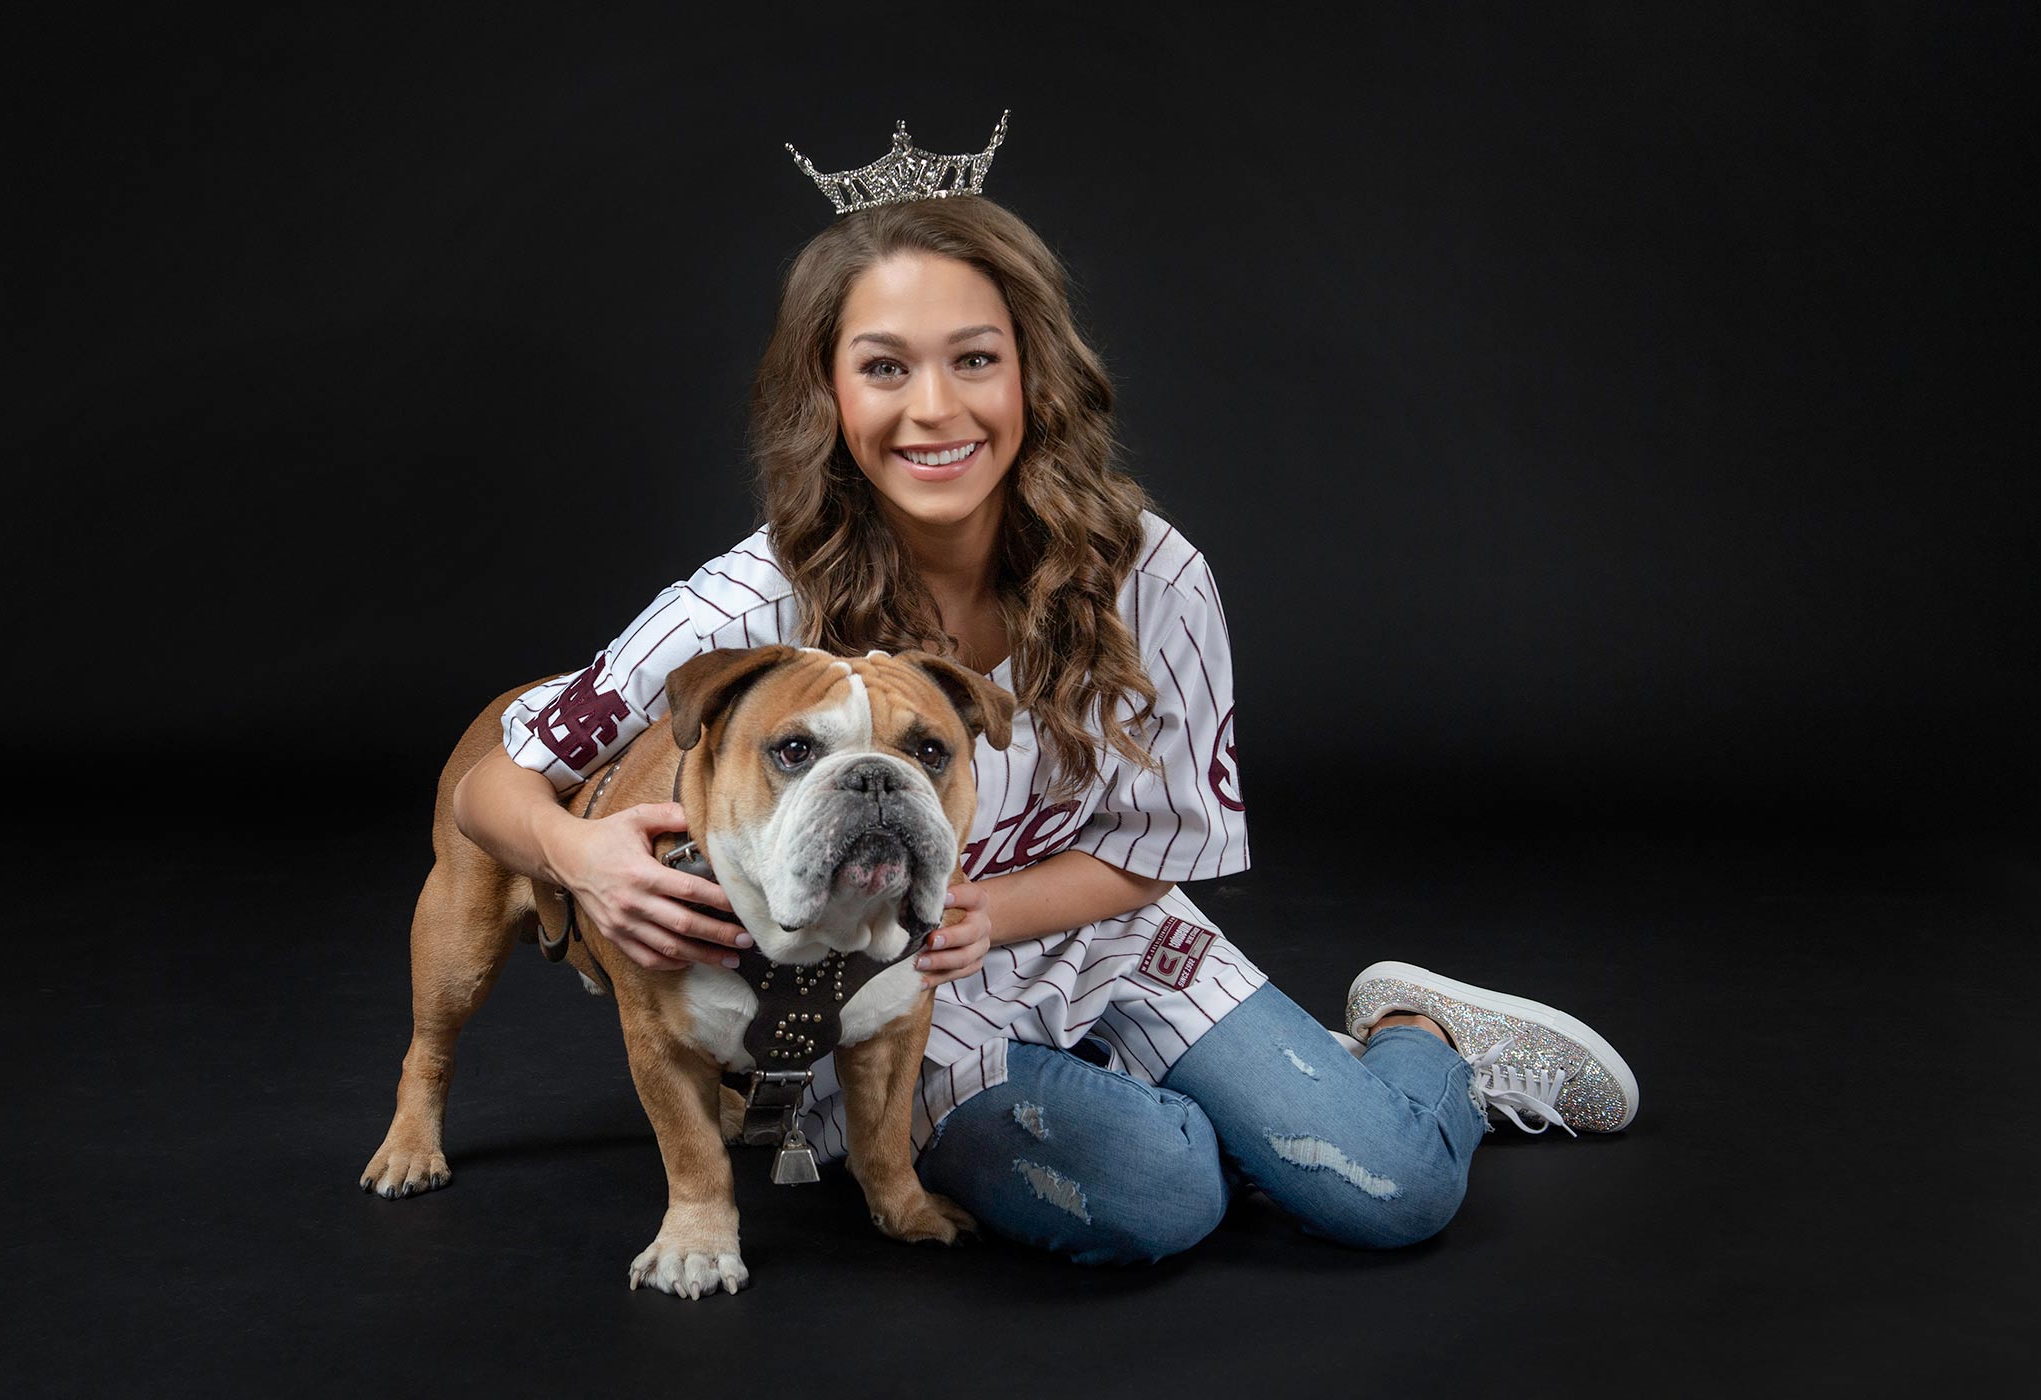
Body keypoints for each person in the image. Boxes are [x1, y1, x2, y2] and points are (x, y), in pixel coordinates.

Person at [449, 118, 1639, 1264]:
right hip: (877, 992)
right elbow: (496, 782)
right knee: (1159, 1196)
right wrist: (579, 854)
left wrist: (995, 913)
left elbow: (1157, 841)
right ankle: (1189, 1116)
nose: (935, 408)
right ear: (829, 388)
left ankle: (1421, 1034)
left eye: (975, 358)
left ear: (1035, 371)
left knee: (1395, 1188)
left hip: (1094, 932)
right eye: (884, 367)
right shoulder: (747, 603)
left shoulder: (1150, 572)